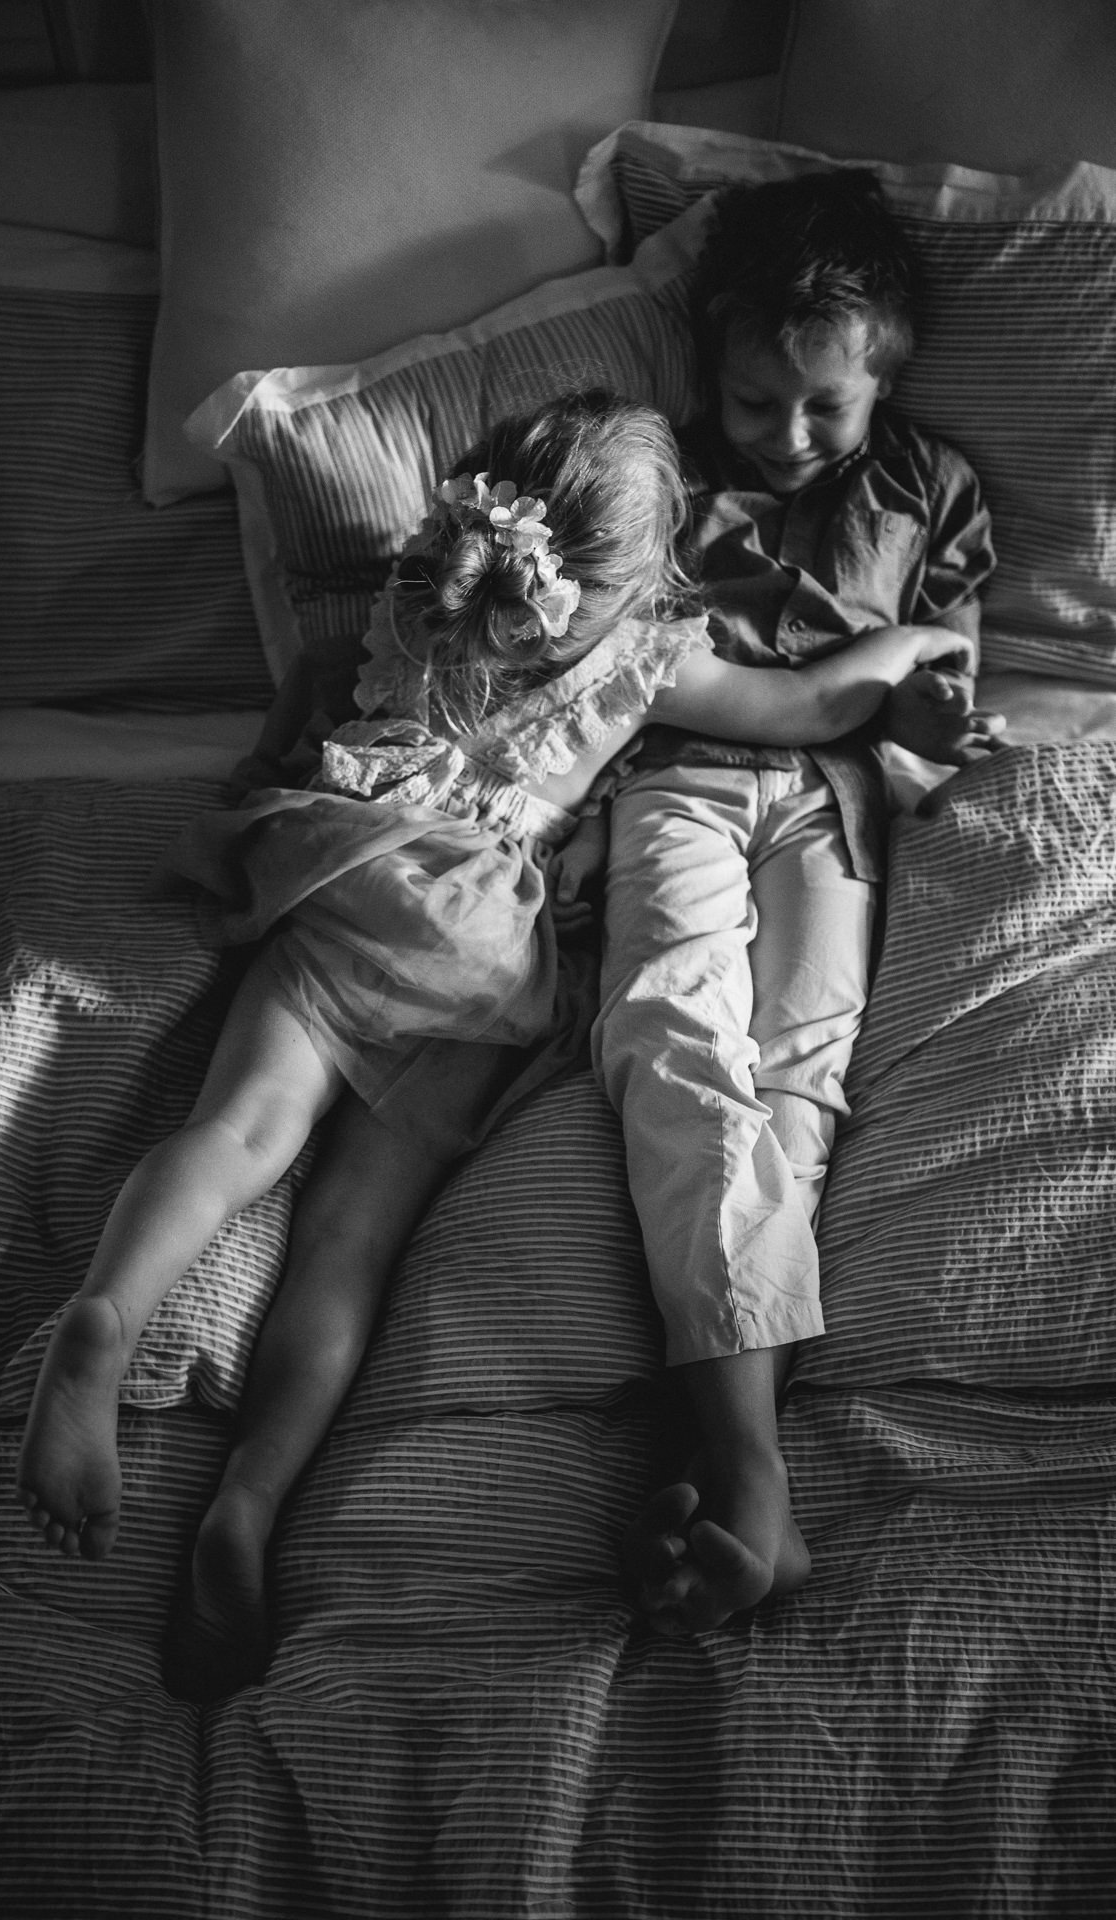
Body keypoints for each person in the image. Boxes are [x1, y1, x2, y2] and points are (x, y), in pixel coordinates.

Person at [15, 389, 979, 1698]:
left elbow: (304, 705)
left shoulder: (407, 596)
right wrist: (915, 636)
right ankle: (246, 1502)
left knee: (236, 1134)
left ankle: (105, 1319)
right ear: (647, 565)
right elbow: (810, 707)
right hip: (474, 951)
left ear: (474, 501)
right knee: (348, 1245)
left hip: (352, 873)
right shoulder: (644, 652)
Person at [591, 169, 1002, 1639]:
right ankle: (751, 1475)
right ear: (713, 364)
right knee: (668, 1037)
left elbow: (931, 700)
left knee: (800, 1073)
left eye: (824, 405)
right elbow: (648, 671)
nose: (786, 436)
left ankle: (724, 1446)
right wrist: (857, 677)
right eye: (757, 401)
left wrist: (926, 719)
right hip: (683, 784)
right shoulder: (657, 480)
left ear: (882, 374)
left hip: (839, 810)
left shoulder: (928, 490)